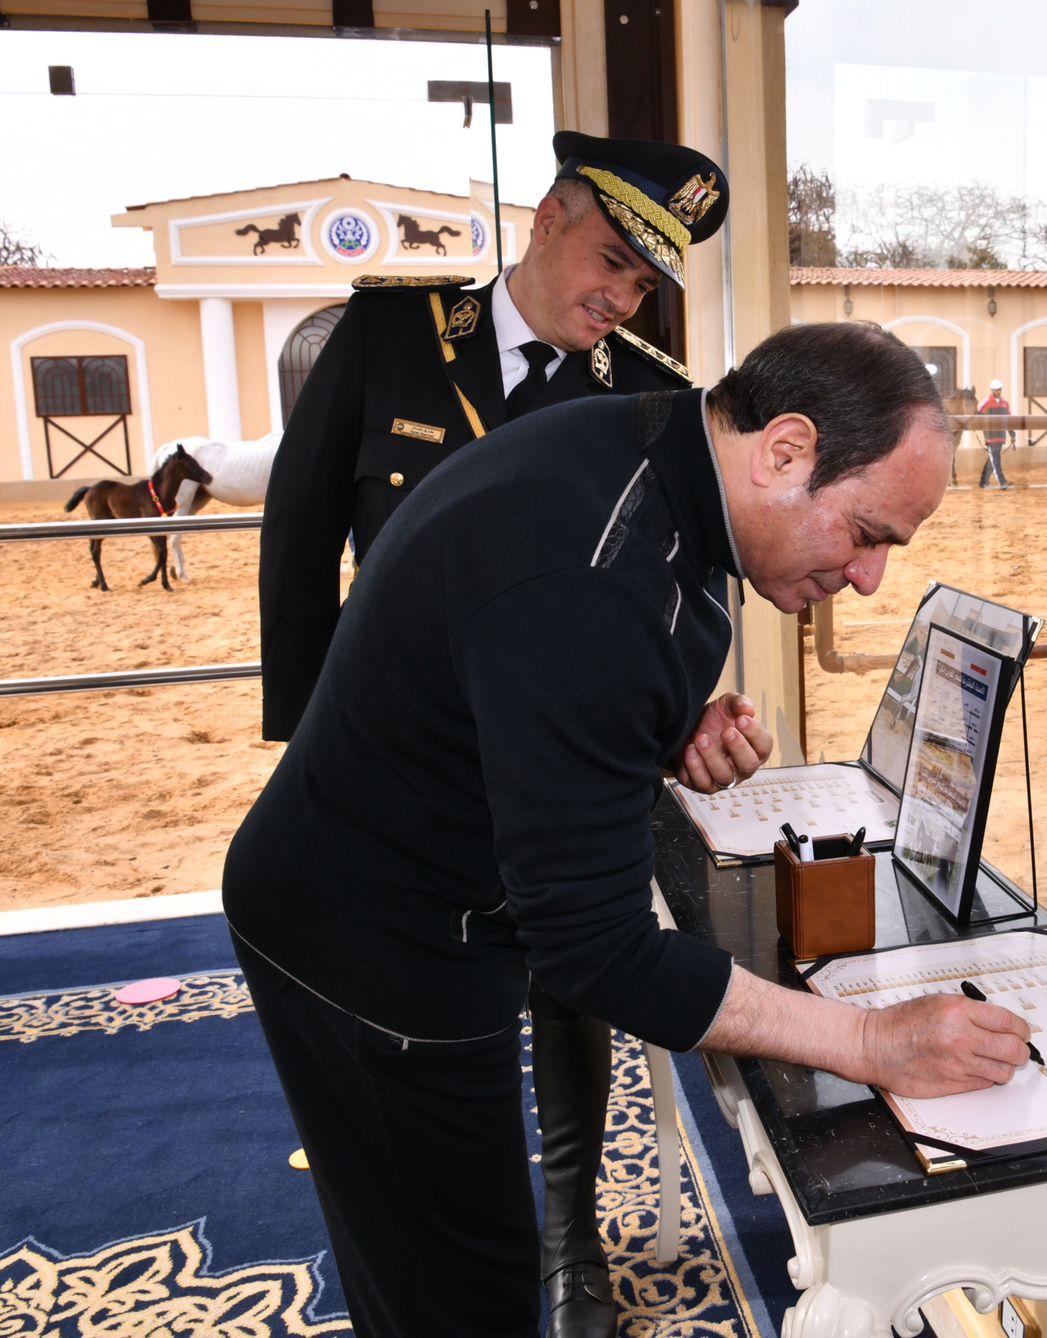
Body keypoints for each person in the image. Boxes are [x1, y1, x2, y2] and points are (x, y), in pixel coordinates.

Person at [222, 321, 1034, 1338]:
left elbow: (526, 662)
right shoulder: (592, 578)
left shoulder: (651, 445)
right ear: (784, 451)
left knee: (455, 1255)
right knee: (458, 1286)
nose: (869, 579)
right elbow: (598, 953)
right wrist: (873, 1039)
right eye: (867, 532)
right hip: (369, 942)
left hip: (406, 876)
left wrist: (654, 726)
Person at [256, 132, 747, 1338]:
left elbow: (644, 594)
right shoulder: (387, 338)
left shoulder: (647, 394)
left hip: (562, 755)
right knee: (408, 1039)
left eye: (643, 282)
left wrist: (680, 713)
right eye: (609, 257)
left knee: (577, 970)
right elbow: (299, 532)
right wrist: (312, 735)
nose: (619, 294)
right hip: (406, 751)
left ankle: (571, 1238)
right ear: (545, 217)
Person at [976, 377, 1015, 490]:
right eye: (994, 390)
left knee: (993, 459)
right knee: (996, 459)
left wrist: (1013, 435)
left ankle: (983, 482)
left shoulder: (1005, 404)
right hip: (990, 437)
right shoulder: (986, 403)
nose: (996, 391)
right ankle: (1002, 482)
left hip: (1001, 436)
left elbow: (1009, 421)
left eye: (998, 389)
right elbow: (979, 417)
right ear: (991, 390)